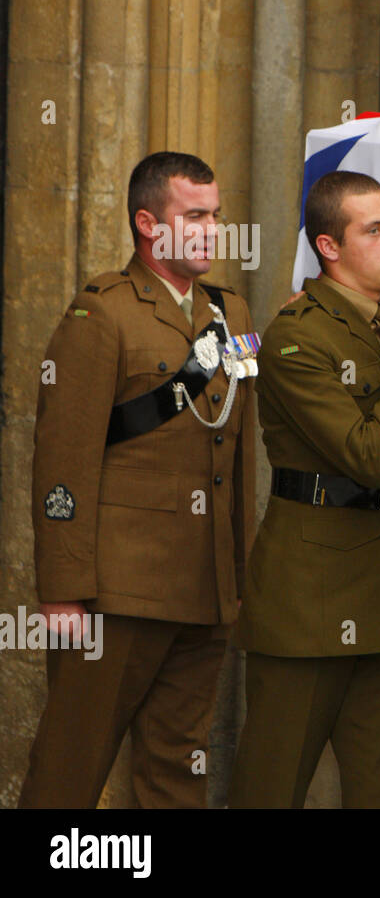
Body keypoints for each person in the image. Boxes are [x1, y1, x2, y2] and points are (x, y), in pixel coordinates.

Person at [20, 151, 257, 808]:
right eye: (196, 216)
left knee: (178, 770)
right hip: (115, 590)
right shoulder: (101, 314)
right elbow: (62, 461)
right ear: (150, 224)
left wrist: (236, 575)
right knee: (73, 762)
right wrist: (64, 592)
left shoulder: (230, 317)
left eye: (217, 215)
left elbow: (236, 454)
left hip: (202, 588)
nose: (213, 229)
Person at [229, 171, 380, 808]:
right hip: (309, 596)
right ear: (329, 247)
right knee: (270, 785)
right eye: (373, 229)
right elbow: (369, 455)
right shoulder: (298, 336)